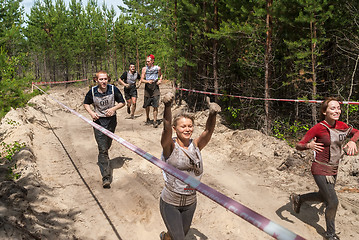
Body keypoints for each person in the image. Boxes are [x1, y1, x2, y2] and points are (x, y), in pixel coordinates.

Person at [291, 97, 359, 240]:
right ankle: (330, 235)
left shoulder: (341, 125)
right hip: (319, 169)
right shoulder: (318, 128)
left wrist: (352, 141)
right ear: (324, 111)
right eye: (332, 108)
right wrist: (308, 146)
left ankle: (299, 198)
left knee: (323, 197)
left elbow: (357, 132)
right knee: (332, 201)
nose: (337, 111)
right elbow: (298, 144)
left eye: (338, 108)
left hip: (334, 169)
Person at [159, 92, 221, 240]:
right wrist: (167, 106)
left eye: (190, 126)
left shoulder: (196, 145)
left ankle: (165, 237)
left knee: (179, 235)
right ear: (175, 128)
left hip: (190, 202)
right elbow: (166, 128)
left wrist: (212, 114)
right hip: (170, 202)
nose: (187, 129)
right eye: (183, 127)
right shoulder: (170, 147)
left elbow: (208, 131)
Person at [83, 70, 125, 188]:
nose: (103, 81)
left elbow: (122, 102)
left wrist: (114, 109)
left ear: (108, 79)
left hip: (111, 121)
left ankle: (105, 159)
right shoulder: (92, 91)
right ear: (96, 80)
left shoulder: (113, 89)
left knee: (107, 145)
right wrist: (91, 113)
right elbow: (86, 104)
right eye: (101, 79)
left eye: (105, 79)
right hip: (98, 122)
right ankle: (106, 177)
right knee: (102, 149)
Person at [140, 54, 162, 128]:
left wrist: (160, 80)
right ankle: (148, 118)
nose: (147, 63)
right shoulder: (144, 69)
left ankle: (155, 121)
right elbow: (142, 79)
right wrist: (147, 81)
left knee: (155, 105)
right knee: (147, 105)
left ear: (152, 61)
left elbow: (160, 75)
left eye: (148, 61)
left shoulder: (157, 68)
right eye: (146, 61)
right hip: (147, 87)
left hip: (155, 87)